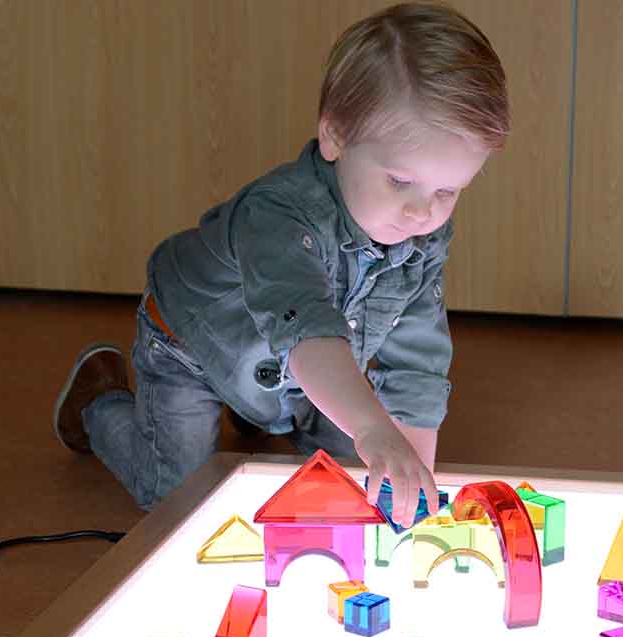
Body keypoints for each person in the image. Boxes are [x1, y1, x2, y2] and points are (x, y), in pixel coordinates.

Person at [53, 2, 509, 527]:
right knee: (175, 504)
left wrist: (413, 478)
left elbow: (418, 361)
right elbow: (307, 332)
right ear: (334, 134)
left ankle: (257, 409)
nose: (422, 211)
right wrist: (375, 429)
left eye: (448, 190)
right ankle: (98, 400)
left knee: (353, 485)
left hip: (300, 368)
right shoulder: (278, 215)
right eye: (400, 180)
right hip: (193, 350)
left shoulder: (421, 234)